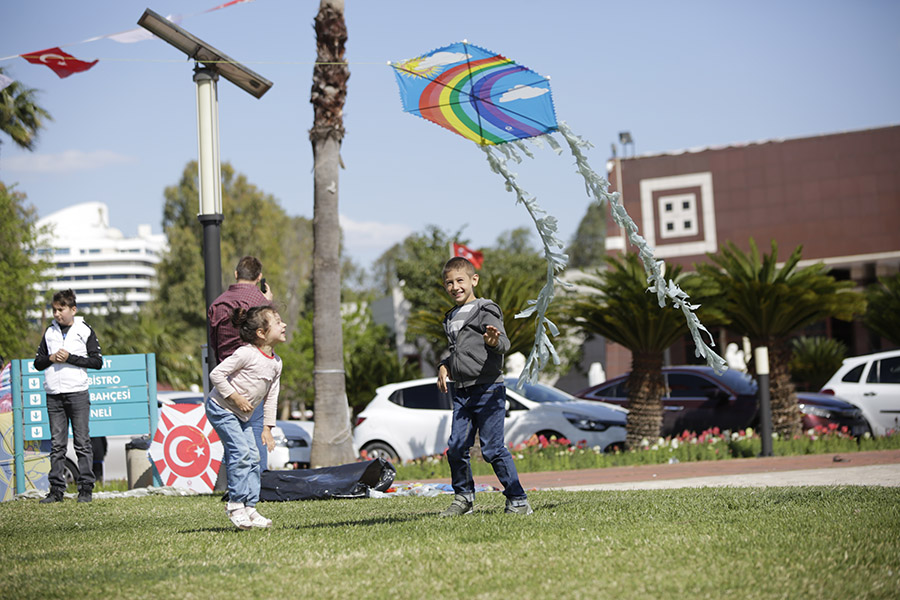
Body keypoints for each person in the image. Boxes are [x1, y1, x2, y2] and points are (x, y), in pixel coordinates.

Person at [436, 257, 532, 516]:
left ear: (473, 280)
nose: (455, 286)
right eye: (449, 283)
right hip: (462, 392)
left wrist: (492, 341)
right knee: (456, 447)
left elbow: (503, 344)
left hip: (489, 390)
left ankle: (518, 500)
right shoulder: (451, 317)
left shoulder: (486, 309)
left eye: (460, 280)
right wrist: (444, 366)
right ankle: (463, 498)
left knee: (492, 448)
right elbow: (459, 353)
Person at [206, 305, 285, 529]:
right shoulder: (246, 353)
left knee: (253, 457)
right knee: (240, 453)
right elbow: (216, 374)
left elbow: (272, 396)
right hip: (221, 408)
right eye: (278, 322)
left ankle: (250, 508)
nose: (284, 325)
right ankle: (235, 505)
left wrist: (268, 427)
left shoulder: (276, 363)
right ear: (261, 333)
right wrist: (235, 397)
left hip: (243, 415)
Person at [34, 289, 103, 503]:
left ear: (73, 309)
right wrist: (52, 358)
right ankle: (56, 490)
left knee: (82, 443)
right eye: (54, 310)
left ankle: (85, 489)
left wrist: (71, 358)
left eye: (60, 310)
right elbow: (38, 363)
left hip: (77, 394)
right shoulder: (49, 332)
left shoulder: (84, 330)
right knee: (57, 444)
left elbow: (97, 362)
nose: (56, 314)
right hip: (54, 394)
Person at [208, 256, 274, 477]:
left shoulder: (217, 304)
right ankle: (258, 484)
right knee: (254, 434)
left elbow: (213, 343)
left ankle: (236, 485)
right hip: (252, 377)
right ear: (259, 277)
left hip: (226, 378)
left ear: (236, 274)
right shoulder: (262, 305)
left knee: (234, 439)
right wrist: (269, 303)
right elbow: (269, 336)